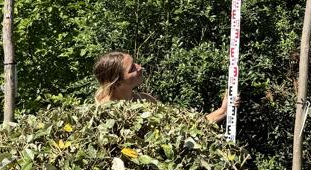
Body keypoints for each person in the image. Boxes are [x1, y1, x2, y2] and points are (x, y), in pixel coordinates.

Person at [93, 51, 234, 125]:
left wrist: (223, 111)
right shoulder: (104, 114)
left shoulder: (146, 101)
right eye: (132, 69)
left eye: (135, 63)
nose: (140, 67)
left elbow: (186, 126)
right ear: (117, 82)